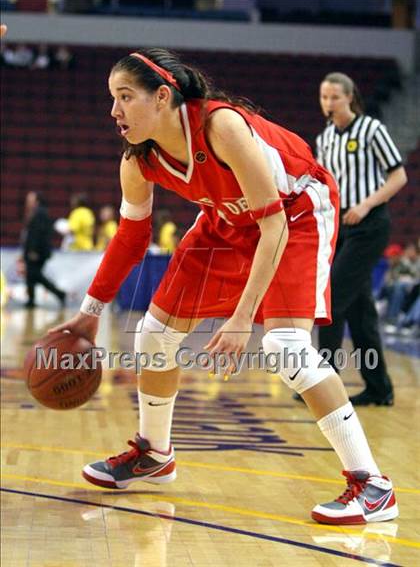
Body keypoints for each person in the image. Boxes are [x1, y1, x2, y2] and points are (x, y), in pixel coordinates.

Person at [50, 49, 398, 525]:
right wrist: (92, 310)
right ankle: (155, 453)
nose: (114, 111)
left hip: (294, 212)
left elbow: (272, 224)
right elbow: (132, 236)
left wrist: (240, 319)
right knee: (154, 335)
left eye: (125, 97)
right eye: (112, 98)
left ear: (163, 97)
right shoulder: (139, 160)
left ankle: (372, 484)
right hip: (227, 218)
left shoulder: (222, 127)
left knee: (284, 346)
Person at [314, 72, 407, 407]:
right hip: (340, 228)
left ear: (350, 98)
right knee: (360, 313)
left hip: (369, 225)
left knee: (332, 300)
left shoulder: (371, 129)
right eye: (324, 97)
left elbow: (399, 175)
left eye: (335, 97)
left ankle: (323, 384)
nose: (329, 103)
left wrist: (366, 204)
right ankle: (379, 389)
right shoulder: (324, 139)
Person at [22, 192, 66, 308]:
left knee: (35, 275)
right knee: (31, 276)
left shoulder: (40, 213)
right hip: (32, 251)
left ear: (36, 201)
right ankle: (31, 300)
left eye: (30, 199)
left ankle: (59, 293)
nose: (27, 202)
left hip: (37, 252)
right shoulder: (36, 213)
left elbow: (37, 234)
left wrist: (33, 250)